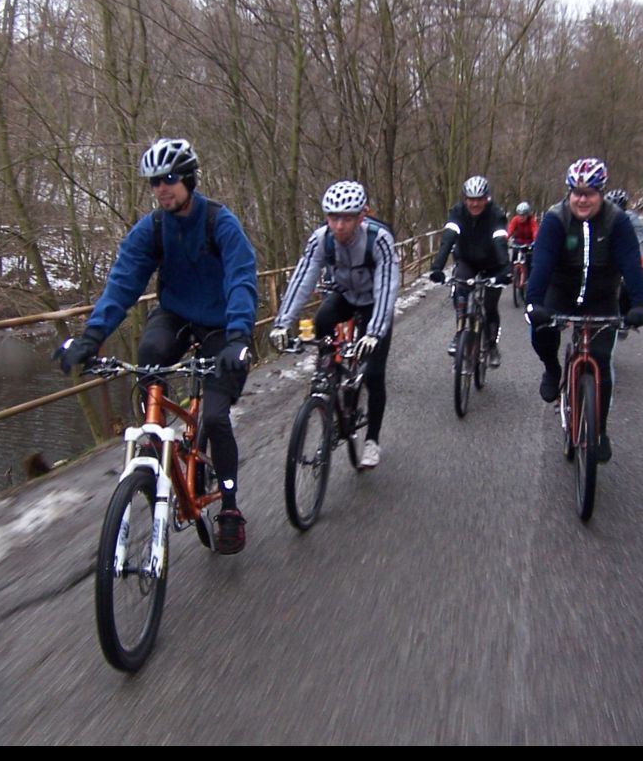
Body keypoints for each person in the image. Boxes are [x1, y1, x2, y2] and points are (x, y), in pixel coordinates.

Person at [56, 138, 258, 554]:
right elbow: (123, 282)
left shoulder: (219, 222)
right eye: (154, 182)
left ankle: (230, 506)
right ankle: (153, 438)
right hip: (176, 315)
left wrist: (239, 337)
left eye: (169, 179)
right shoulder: (152, 229)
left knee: (215, 417)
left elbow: (241, 278)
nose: (161, 188)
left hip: (222, 325)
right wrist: (92, 337)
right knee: (149, 353)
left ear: (189, 179)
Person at [525, 158, 643, 463]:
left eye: (590, 193)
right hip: (561, 291)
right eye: (576, 193)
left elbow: (631, 265)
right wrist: (534, 302)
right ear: (569, 193)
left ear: (601, 193)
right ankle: (553, 369)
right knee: (541, 332)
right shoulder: (556, 219)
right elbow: (541, 263)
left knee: (601, 361)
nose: (582, 199)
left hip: (601, 296)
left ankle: (600, 430)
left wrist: (640, 304)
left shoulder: (617, 221)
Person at [270, 181, 400, 469]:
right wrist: (282, 323)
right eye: (333, 218)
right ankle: (329, 371)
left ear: (361, 216)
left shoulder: (378, 239)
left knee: (374, 373)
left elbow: (387, 287)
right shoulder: (321, 239)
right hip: (345, 295)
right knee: (322, 320)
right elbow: (303, 278)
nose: (339, 226)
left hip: (374, 302)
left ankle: (372, 440)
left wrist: (374, 332)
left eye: (347, 218)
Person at [428, 175, 511, 367]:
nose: (475, 204)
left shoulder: (496, 214)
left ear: (487, 199)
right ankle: (459, 333)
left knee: (490, 306)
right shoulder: (457, 213)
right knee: (460, 291)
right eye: (470, 199)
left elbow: (500, 242)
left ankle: (491, 345)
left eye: (479, 199)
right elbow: (448, 239)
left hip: (492, 263)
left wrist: (505, 270)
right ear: (465, 199)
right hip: (467, 260)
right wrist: (437, 267)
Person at [605, 188, 643, 338]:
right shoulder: (603, 218)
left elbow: (638, 240)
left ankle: (624, 318)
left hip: (631, 257)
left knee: (627, 286)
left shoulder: (632, 220)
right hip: (609, 259)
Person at [506, 201, 539, 281]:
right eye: (519, 215)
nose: (521, 217)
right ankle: (512, 273)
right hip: (518, 241)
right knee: (514, 255)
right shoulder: (515, 220)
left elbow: (535, 232)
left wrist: (535, 241)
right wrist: (505, 239)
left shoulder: (532, 222)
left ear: (527, 215)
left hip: (529, 243)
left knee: (529, 259)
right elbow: (510, 230)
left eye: (523, 215)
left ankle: (530, 278)